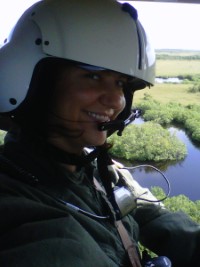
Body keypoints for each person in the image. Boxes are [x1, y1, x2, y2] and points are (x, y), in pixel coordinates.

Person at [0, 0, 199, 266]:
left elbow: (146, 211)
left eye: (120, 83)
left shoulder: (94, 169)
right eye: (93, 76)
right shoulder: (19, 208)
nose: (116, 101)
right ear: (34, 84)